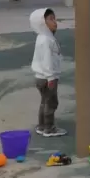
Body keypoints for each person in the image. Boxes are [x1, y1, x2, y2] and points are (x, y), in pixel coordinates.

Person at [31, 7, 66, 137]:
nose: (55, 22)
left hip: (40, 76)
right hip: (47, 77)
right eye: (50, 19)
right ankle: (49, 128)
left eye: (54, 18)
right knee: (51, 103)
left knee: (44, 101)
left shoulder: (42, 37)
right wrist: (51, 77)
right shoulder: (46, 40)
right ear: (42, 23)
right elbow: (47, 60)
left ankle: (41, 126)